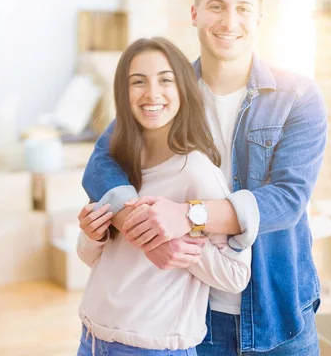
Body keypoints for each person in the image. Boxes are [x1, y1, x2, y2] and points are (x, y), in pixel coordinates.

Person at [79, 0, 328, 355]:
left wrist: (188, 215)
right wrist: (137, 226)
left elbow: (287, 200)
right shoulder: (168, 92)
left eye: (243, 8)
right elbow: (101, 163)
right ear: (195, 14)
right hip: (194, 310)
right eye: (216, 6)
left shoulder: (296, 97)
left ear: (259, 18)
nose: (229, 21)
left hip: (277, 310)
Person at [75, 37, 258, 356]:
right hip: (91, 338)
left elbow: (236, 275)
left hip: (154, 349)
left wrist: (182, 236)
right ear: (123, 92)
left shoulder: (196, 171)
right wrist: (92, 235)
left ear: (183, 90)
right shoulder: (117, 165)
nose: (152, 93)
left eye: (165, 80)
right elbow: (91, 258)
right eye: (138, 82)